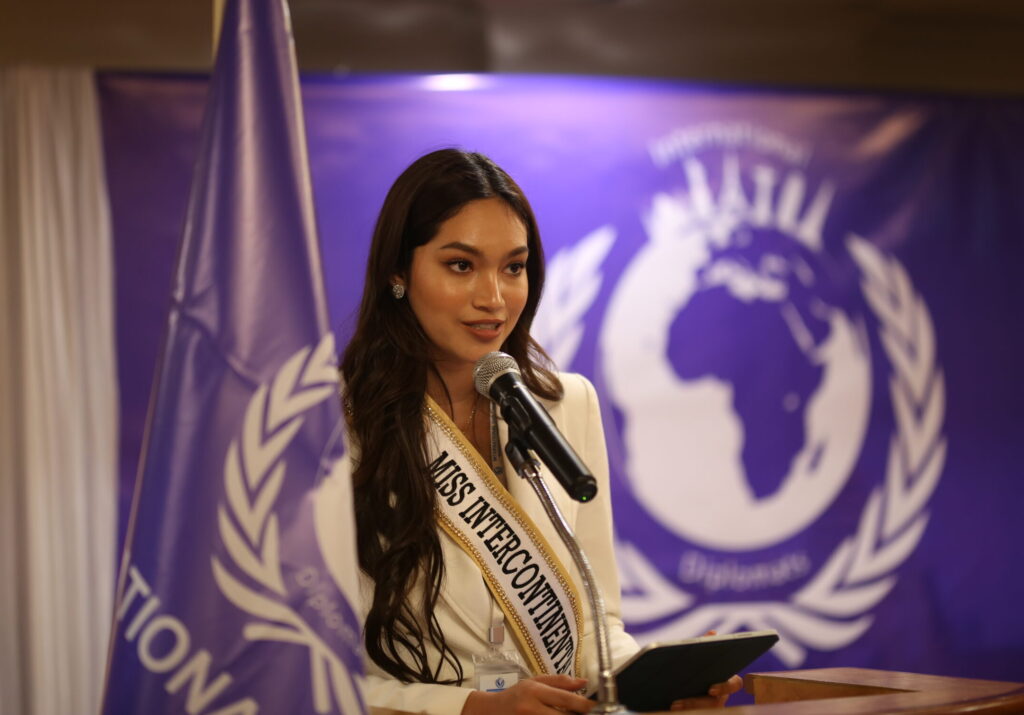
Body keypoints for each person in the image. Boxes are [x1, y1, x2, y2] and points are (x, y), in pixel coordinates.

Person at [340, 148, 742, 714]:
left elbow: (594, 624)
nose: (494, 298)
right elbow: (296, 666)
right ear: (398, 273)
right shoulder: (333, 422)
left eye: (513, 267)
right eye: (461, 265)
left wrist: (655, 682)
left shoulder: (566, 403)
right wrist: (469, 709)